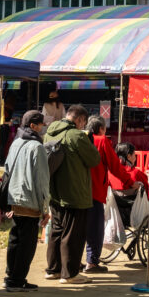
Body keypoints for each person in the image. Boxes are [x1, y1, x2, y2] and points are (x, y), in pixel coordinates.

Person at [44, 105, 100, 284]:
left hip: (55, 191)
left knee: (57, 231)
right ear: (80, 120)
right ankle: (70, 273)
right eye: (83, 122)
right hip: (75, 192)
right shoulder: (76, 136)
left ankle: (53, 269)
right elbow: (94, 159)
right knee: (73, 234)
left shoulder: (50, 133)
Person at [2, 110, 49, 292]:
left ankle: (10, 276)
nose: (42, 128)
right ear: (33, 126)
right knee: (27, 242)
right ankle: (17, 279)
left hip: (13, 197)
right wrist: (45, 207)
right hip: (29, 199)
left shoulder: (16, 142)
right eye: (41, 125)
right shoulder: (37, 147)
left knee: (15, 238)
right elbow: (42, 180)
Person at [84, 115, 131, 273]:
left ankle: (73, 262)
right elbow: (115, 166)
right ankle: (92, 262)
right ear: (101, 128)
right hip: (96, 190)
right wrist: (130, 181)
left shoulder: (82, 139)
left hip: (79, 190)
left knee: (79, 228)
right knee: (95, 228)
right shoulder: (102, 141)